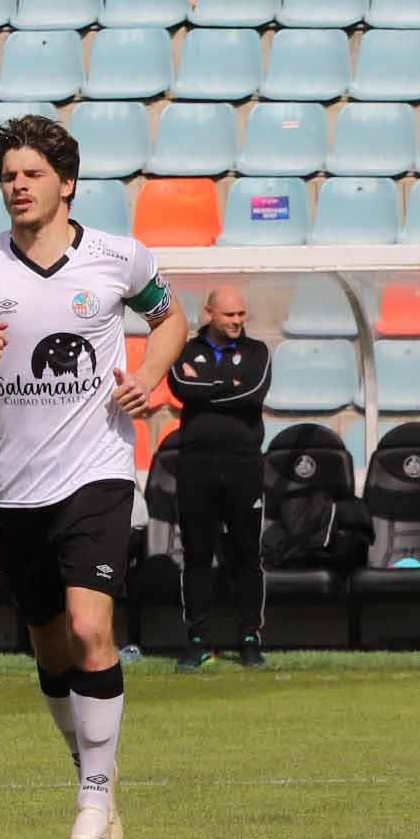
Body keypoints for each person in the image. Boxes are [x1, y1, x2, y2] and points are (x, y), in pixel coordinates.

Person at [0, 115, 185, 839]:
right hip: (16, 487)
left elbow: (171, 319)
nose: (18, 186)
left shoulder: (119, 257)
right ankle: (92, 767)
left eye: (32, 174)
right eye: (8, 176)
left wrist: (149, 374)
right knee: (50, 643)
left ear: (66, 182)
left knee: (91, 629)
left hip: (97, 472)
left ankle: (93, 801)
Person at [168, 287, 272, 673]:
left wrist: (206, 389)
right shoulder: (183, 350)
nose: (237, 321)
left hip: (243, 466)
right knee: (197, 554)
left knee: (245, 554)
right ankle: (198, 640)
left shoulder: (257, 352)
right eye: (230, 315)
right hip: (195, 467)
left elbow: (252, 394)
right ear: (209, 312)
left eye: (242, 314)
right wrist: (229, 386)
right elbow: (180, 388)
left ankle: (249, 638)